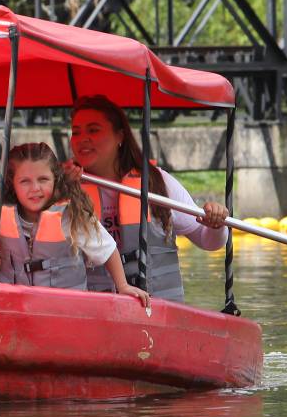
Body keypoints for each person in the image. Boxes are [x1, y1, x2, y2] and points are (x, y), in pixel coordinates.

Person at [67, 94, 228, 302]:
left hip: (155, 309)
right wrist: (60, 189)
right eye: (75, 132)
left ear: (120, 136)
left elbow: (208, 242)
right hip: (93, 312)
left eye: (93, 130)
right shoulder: (61, 189)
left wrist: (216, 225)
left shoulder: (156, 182)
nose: (82, 139)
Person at [0, 142, 150, 309]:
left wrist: (123, 285)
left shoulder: (72, 217)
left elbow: (108, 250)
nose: (35, 188)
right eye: (25, 181)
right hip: (18, 312)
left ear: (55, 180)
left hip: (67, 312)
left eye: (43, 179)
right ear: (11, 184)